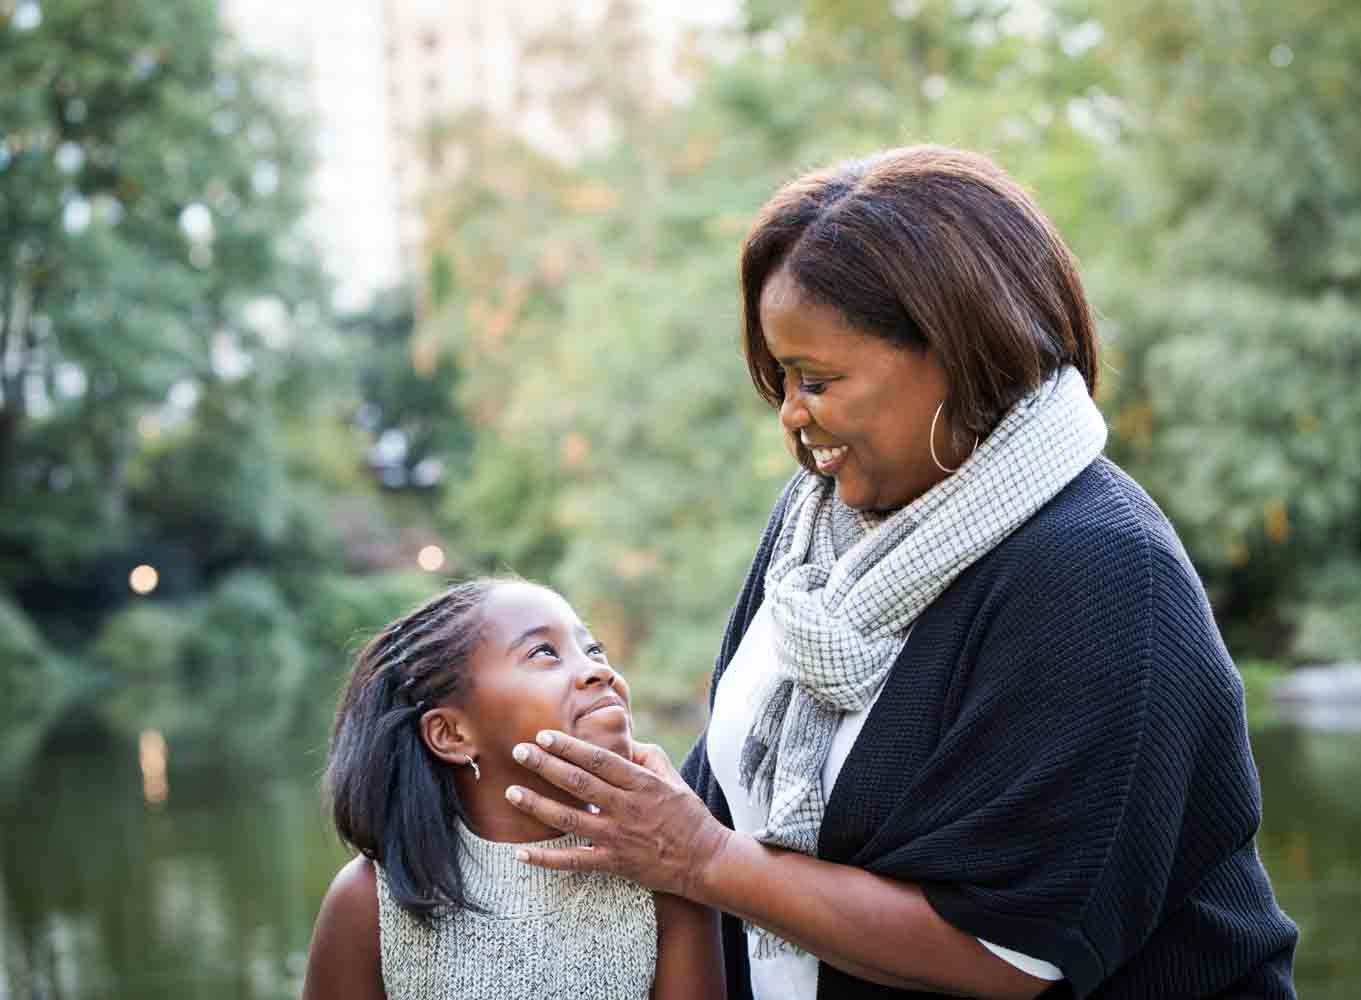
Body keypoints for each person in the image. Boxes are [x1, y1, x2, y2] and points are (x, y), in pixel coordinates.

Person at [502, 145, 1299, 999]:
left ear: (954, 349)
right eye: (778, 379)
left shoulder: (1097, 571)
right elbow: (719, 797)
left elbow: (1003, 953)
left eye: (816, 379)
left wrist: (703, 859)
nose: (791, 414)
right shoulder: (814, 528)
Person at [301, 577, 725, 1000]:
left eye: (593, 649)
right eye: (544, 652)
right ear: (451, 733)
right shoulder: (368, 904)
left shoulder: (665, 874)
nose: (599, 670)